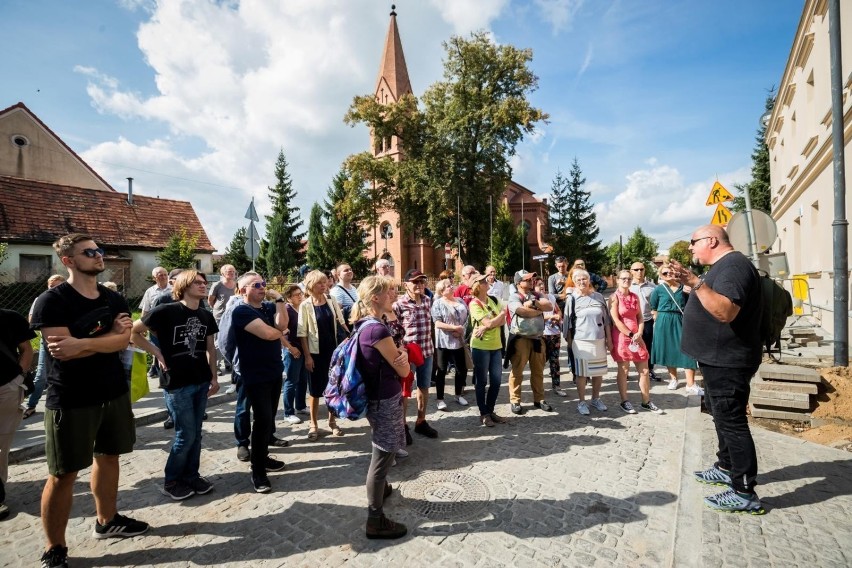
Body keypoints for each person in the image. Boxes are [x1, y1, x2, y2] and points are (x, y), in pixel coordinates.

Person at [31, 234, 149, 568]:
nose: (99, 256)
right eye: (90, 252)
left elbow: (124, 340)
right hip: (70, 397)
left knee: (110, 457)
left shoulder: (113, 298)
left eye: (99, 251)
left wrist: (87, 342)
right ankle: (55, 547)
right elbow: (61, 351)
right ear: (68, 260)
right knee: (63, 473)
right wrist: (108, 338)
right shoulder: (52, 302)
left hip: (112, 392)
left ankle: (107, 520)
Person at [671, 225, 764, 514]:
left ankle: (744, 490)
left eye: (693, 242)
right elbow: (713, 299)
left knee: (733, 422)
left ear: (711, 240)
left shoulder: (734, 266)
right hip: (716, 359)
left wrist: (697, 283)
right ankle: (726, 466)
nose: (690, 248)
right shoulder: (722, 267)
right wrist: (695, 287)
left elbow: (726, 311)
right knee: (721, 418)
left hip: (728, 360)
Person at [131, 270, 219, 500]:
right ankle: (172, 480)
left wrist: (214, 377)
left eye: (204, 282)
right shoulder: (166, 310)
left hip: (200, 380)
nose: (204, 285)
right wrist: (157, 353)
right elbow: (133, 332)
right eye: (198, 282)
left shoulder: (205, 315)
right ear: (184, 285)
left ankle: (191, 476)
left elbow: (210, 349)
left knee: (196, 433)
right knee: (185, 434)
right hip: (177, 382)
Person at [351, 276, 411, 539]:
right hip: (384, 399)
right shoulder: (377, 330)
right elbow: (404, 368)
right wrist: (405, 355)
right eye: (389, 291)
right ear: (375, 297)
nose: (393, 293)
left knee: (382, 446)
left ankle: (383, 488)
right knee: (383, 454)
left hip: (378, 397)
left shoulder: (365, 324)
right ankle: (375, 519)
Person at [231, 273, 289, 493]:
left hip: (274, 370)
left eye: (263, 284)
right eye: (256, 285)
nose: (262, 288)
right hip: (254, 374)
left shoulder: (266, 307)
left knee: (269, 419)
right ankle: (258, 472)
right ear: (243, 290)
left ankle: (263, 458)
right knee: (262, 419)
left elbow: (282, 323)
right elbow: (267, 334)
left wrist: (280, 300)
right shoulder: (241, 311)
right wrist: (282, 332)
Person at [298, 270, 348, 441]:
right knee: (314, 391)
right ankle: (313, 424)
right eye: (320, 283)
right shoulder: (305, 305)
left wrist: (352, 337)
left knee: (332, 388)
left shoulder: (331, 300)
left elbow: (342, 323)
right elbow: (302, 333)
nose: (324, 285)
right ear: (311, 285)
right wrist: (307, 357)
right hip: (315, 353)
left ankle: (332, 421)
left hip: (333, 353)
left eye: (325, 282)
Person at [610, 269, 663, 415]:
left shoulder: (634, 296)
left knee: (645, 370)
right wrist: (630, 333)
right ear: (618, 280)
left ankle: (646, 401)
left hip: (637, 336)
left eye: (628, 278)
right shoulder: (614, 297)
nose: (626, 280)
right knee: (624, 370)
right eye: (623, 278)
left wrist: (639, 332)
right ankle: (624, 401)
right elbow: (615, 320)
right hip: (622, 336)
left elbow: (640, 317)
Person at [393, 269, 438, 439]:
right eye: (415, 282)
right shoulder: (399, 304)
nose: (419, 285)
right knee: (405, 391)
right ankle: (402, 425)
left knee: (424, 387)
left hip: (427, 350)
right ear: (406, 285)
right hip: (408, 354)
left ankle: (421, 420)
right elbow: (395, 331)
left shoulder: (428, 300)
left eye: (422, 281)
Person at [0, 308, 35, 521]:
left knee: (1, 446)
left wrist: (18, 379)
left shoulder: (9, 317)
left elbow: (27, 349)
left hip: (6, 388)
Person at [650, 263, 703, 395]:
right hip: (664, 320)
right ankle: (673, 379)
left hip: (681, 319)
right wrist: (658, 320)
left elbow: (693, 303)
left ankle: (690, 384)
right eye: (665, 273)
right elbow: (653, 307)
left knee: (688, 349)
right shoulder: (658, 289)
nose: (668, 275)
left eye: (670, 272)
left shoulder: (684, 288)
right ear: (661, 275)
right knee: (669, 349)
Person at [563, 269, 611, 415]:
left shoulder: (599, 297)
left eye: (585, 279)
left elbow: (607, 320)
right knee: (582, 373)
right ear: (575, 282)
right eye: (579, 280)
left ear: (589, 280)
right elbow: (567, 323)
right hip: (581, 341)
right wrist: (570, 343)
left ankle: (595, 399)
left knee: (598, 371)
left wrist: (609, 339)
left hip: (599, 339)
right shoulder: (572, 299)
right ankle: (581, 401)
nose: (582, 282)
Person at [506, 270, 554, 415]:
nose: (531, 281)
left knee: (538, 370)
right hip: (521, 338)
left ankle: (539, 399)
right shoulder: (514, 297)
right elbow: (522, 312)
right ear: (518, 282)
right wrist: (539, 311)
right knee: (517, 370)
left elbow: (549, 306)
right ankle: (515, 400)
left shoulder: (537, 295)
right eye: (527, 279)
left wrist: (533, 303)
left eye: (532, 279)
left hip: (538, 338)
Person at [23, 274, 66, 420]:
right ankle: (31, 405)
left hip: (68, 341)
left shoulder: (69, 299)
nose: (54, 289)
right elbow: (32, 320)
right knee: (41, 374)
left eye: (58, 286)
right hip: (47, 341)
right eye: (51, 286)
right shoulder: (41, 299)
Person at [468, 274, 508, 427]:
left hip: (496, 345)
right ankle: (483, 413)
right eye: (484, 281)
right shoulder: (474, 304)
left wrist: (488, 325)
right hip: (481, 346)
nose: (487, 282)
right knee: (481, 381)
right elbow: (491, 321)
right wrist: (493, 321)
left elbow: (501, 321)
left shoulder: (494, 300)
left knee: (497, 381)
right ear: (477, 286)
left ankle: (490, 410)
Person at [431, 278, 469, 410]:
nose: (451, 287)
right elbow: (437, 323)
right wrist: (454, 328)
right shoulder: (437, 303)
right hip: (444, 341)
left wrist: (461, 330)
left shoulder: (460, 301)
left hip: (459, 340)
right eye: (448, 286)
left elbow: (468, 317)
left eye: (451, 285)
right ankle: (440, 399)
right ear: (442, 291)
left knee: (461, 369)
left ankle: (458, 394)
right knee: (441, 370)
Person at [629, 262, 661, 381]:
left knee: (648, 346)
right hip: (631, 322)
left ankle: (649, 370)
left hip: (647, 321)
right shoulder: (628, 286)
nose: (639, 272)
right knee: (628, 346)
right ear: (631, 271)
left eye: (641, 269)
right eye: (636, 269)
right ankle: (626, 370)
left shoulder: (653, 287)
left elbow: (658, 303)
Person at [281, 284, 309, 424]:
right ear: (288, 298)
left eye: (300, 293)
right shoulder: (286, 309)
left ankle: (300, 406)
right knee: (291, 381)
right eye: (296, 294)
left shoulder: (302, 308)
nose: (300, 296)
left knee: (303, 379)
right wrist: (290, 348)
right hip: (293, 350)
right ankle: (288, 412)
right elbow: (280, 332)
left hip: (303, 349)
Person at [535, 278, 567, 397]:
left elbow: (558, 311)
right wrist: (549, 317)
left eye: (542, 284)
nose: (542, 286)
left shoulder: (551, 297)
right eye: (538, 285)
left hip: (554, 333)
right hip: (541, 334)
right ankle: (538, 388)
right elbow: (534, 318)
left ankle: (556, 386)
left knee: (555, 361)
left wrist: (557, 317)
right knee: (540, 362)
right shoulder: (534, 300)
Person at [208, 264, 238, 386]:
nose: (231, 273)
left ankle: (228, 363)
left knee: (231, 339)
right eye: (229, 271)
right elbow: (211, 300)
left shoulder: (236, 284)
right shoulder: (217, 285)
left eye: (233, 271)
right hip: (220, 316)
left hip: (234, 316)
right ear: (223, 273)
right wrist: (218, 310)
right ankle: (216, 366)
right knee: (218, 342)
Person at [139, 266, 170, 378]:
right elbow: (145, 310)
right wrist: (142, 327)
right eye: (159, 275)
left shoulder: (174, 289)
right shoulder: (150, 291)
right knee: (157, 349)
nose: (163, 277)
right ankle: (161, 373)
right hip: (155, 326)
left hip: (171, 324)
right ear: (154, 278)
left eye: (165, 274)